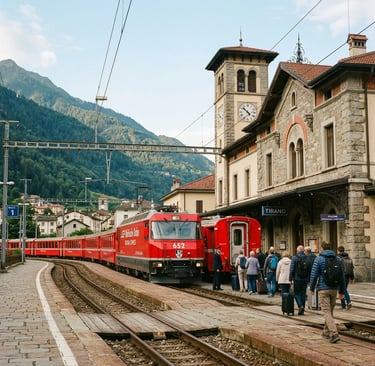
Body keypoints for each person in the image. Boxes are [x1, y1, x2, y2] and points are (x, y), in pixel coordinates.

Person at [310, 241, 345, 343]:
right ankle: (325, 331)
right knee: (330, 311)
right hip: (334, 288)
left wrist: (311, 288)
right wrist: (342, 290)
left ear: (322, 248)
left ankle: (334, 334)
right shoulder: (337, 259)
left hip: (323, 288)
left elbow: (314, 274)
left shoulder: (319, 259)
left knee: (326, 312)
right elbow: (342, 276)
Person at [290, 245, 310, 315]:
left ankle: (300, 305)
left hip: (297, 278)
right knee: (303, 294)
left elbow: (292, 269)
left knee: (296, 293)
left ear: (297, 251)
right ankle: (302, 309)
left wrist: (290, 278)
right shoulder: (307, 258)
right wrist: (309, 278)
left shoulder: (294, 258)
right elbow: (309, 269)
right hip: (305, 279)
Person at [337, 245, 354, 310]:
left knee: (342, 290)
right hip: (347, 276)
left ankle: (344, 305)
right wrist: (352, 278)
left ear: (338, 251)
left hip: (341, 276)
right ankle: (347, 302)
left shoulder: (338, 258)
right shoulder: (349, 258)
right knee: (344, 289)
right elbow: (352, 268)